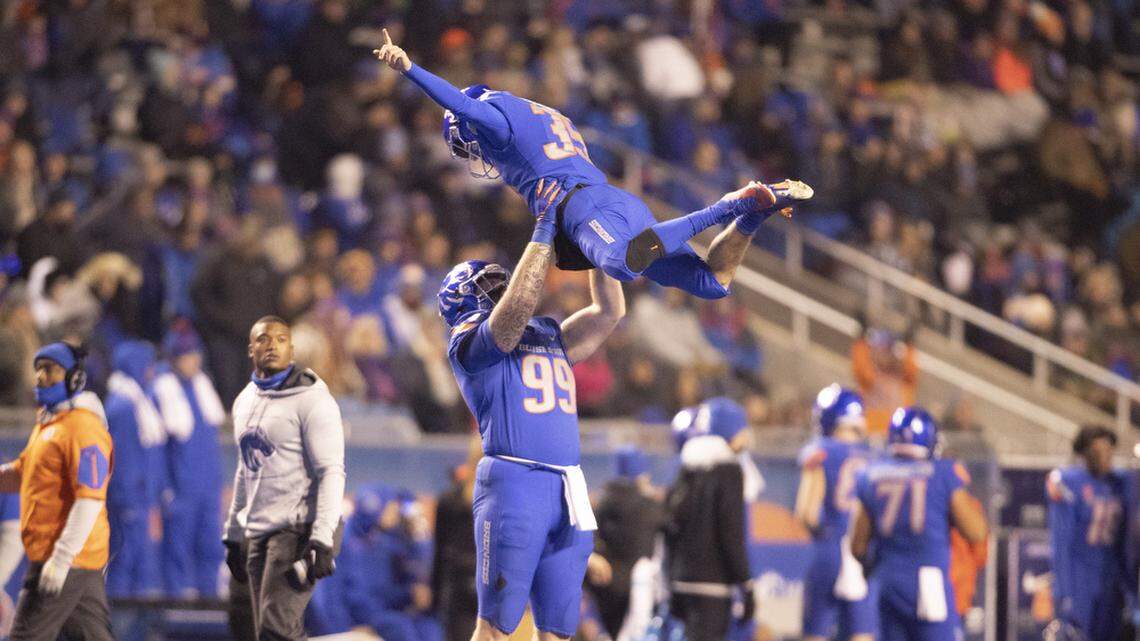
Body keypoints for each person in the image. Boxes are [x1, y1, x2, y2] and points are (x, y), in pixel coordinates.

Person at [376, 29, 811, 300]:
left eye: (468, 146)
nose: (476, 156)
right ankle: (755, 215)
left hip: (581, 208)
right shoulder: (546, 114)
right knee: (712, 284)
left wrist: (409, 68)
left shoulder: (493, 117)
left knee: (620, 263)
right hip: (610, 201)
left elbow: (459, 105)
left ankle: (729, 206)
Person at [438, 200, 626, 640]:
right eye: (487, 287)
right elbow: (519, 303)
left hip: (567, 485)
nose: (500, 290)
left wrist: (599, 250)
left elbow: (610, 313)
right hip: (514, 483)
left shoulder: (546, 334)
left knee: (560, 629)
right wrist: (545, 226)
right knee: (496, 627)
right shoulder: (470, 345)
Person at [222, 315, 346, 641]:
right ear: (251, 349)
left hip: (301, 526)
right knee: (259, 629)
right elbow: (245, 471)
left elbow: (331, 471)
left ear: (291, 350)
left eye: (280, 340)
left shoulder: (314, 401)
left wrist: (321, 536)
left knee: (276, 630)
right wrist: (234, 532)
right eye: (264, 339)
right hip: (260, 529)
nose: (272, 346)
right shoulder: (245, 401)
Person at [0, 343, 114, 641]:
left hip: (65, 557)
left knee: (26, 637)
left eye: (50, 369)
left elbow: (89, 499)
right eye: (38, 368)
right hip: (72, 559)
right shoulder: (50, 423)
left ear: (74, 377)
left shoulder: (82, 428)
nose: (40, 376)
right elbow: (21, 474)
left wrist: (61, 559)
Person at [850, 407, 988, 641]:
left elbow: (858, 545)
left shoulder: (872, 474)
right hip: (928, 584)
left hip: (886, 580)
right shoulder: (943, 473)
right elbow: (976, 532)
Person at [663, 397, 755, 641]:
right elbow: (730, 531)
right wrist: (745, 583)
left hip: (681, 581)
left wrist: (670, 579)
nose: (746, 436)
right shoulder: (729, 470)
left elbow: (670, 527)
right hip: (713, 585)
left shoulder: (686, 468)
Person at [794, 385, 876, 641]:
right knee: (862, 633)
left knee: (815, 633)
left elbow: (806, 512)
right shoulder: (875, 456)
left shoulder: (820, 450)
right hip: (862, 551)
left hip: (829, 544)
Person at [152, 326, 227, 598]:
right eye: (186, 355)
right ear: (173, 358)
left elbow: (211, 442)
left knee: (210, 549)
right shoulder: (162, 391)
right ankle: (175, 608)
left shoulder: (202, 387)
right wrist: (165, 489)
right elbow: (157, 450)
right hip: (181, 491)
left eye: (195, 354)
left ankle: (209, 604)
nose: (192, 361)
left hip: (207, 489)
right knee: (177, 552)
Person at [1045, 425, 1130, 640]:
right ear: (1084, 453)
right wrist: (1063, 591)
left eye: (1109, 449)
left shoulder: (1119, 482)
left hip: (1112, 579)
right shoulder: (1068, 481)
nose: (1106, 455)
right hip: (1080, 578)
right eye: (1098, 450)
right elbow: (1061, 540)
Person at [340, 483, 442, 641]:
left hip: (391, 607)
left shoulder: (387, 540)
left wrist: (419, 536)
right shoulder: (351, 544)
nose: (395, 512)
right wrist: (407, 594)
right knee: (401, 629)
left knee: (429, 627)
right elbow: (359, 596)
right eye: (391, 506)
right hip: (369, 612)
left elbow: (416, 568)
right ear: (375, 507)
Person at [104, 339, 166, 598]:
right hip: (129, 503)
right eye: (147, 364)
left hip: (138, 500)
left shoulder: (136, 402)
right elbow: (123, 461)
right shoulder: (123, 407)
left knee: (140, 569)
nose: (151, 371)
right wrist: (129, 503)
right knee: (125, 566)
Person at [587, 446, 666, 638]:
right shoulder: (651, 506)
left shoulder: (602, 502)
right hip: (641, 588)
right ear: (642, 474)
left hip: (606, 584)